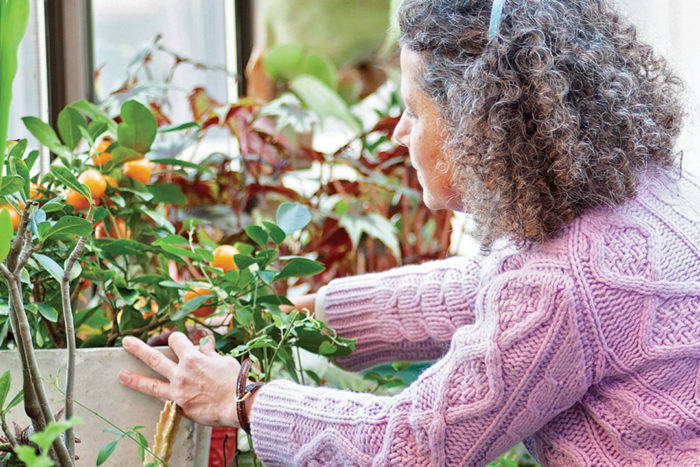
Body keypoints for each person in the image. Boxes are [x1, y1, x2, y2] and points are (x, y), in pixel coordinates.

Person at [119, 0, 700, 465]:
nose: (399, 132)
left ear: (481, 121)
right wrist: (309, 314)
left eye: (414, 111)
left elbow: (411, 445)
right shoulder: (648, 194)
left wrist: (239, 399)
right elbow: (489, 285)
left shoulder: (562, 282)